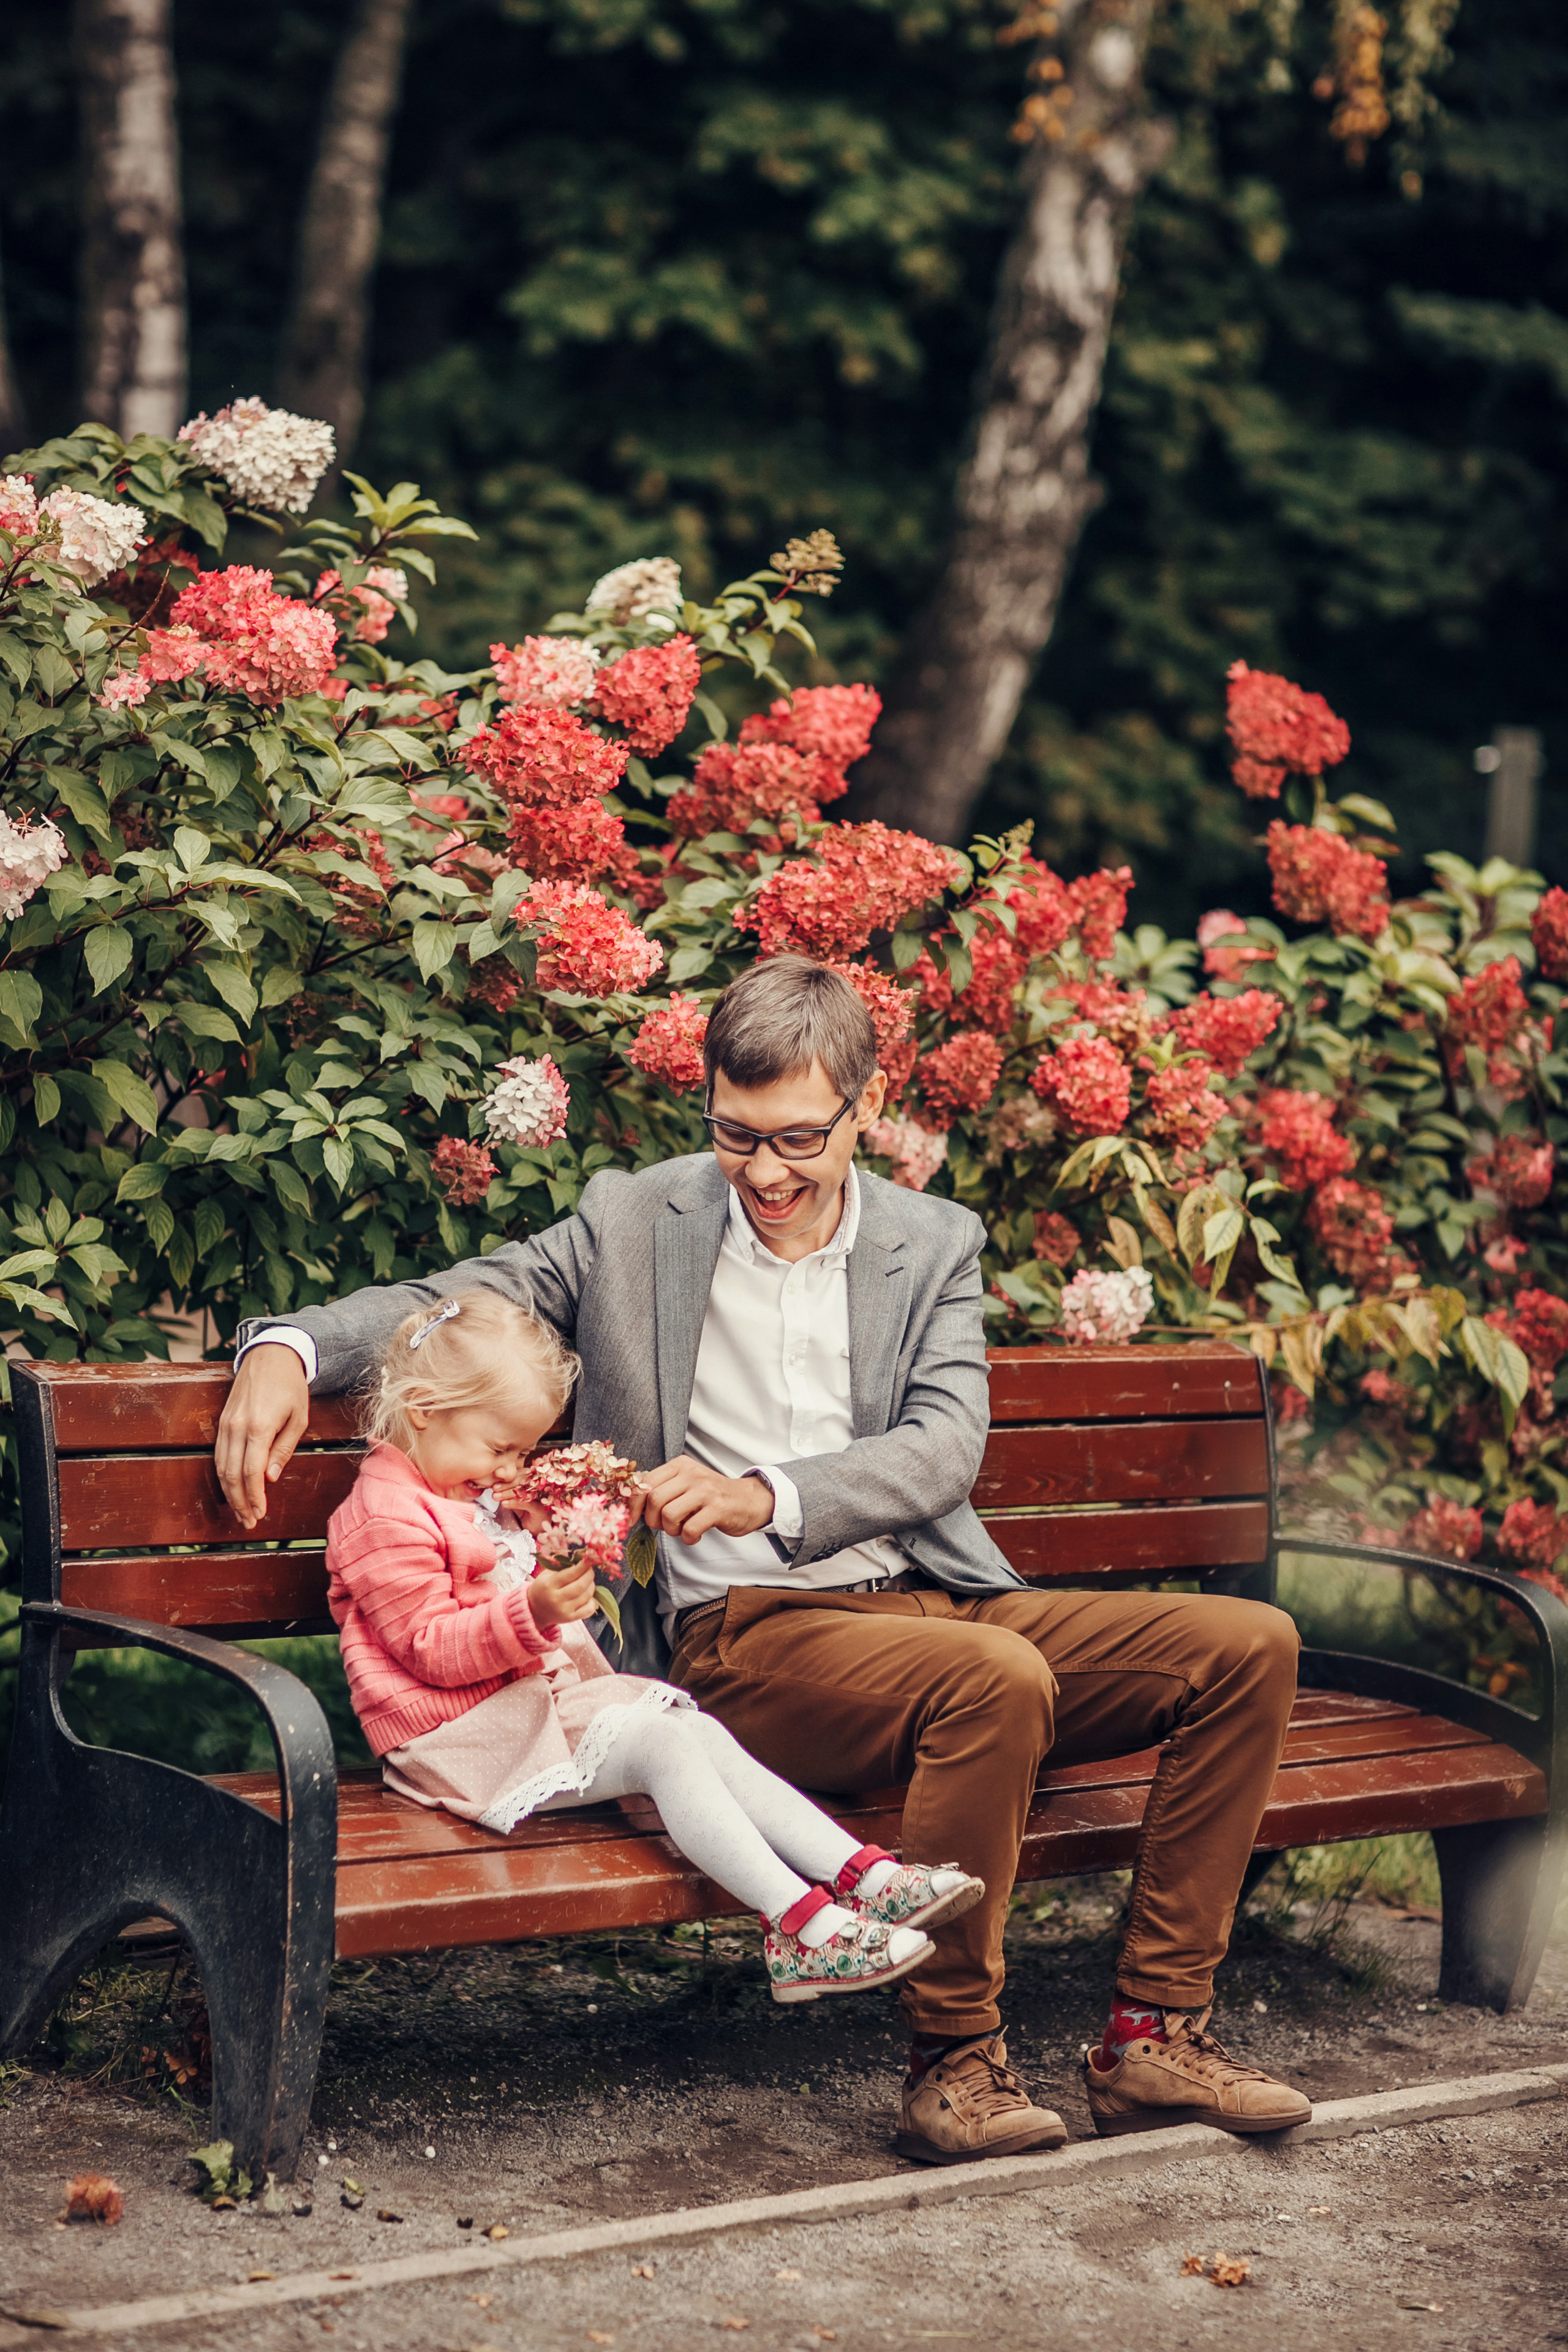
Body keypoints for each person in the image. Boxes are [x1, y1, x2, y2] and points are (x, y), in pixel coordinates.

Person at [219, 954, 1311, 2160]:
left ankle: (1153, 2037)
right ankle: (955, 2060)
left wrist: (762, 1491)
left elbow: (942, 1447)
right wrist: (288, 1348)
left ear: (862, 1106)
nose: (764, 1174)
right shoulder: (638, 1220)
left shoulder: (931, 1240)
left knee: (1247, 1645)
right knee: (990, 1684)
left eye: (798, 1140)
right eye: (736, 1137)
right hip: (748, 1634)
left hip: (934, 1597)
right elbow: (460, 1299)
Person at [328, 1284, 985, 2009]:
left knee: (691, 1729)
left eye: (524, 1450)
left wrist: (540, 1533)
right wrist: (532, 1609)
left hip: (524, 1707)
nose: (513, 1469)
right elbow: (429, 1648)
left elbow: (502, 1575)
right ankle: (800, 1928)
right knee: (662, 1745)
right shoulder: (383, 1517)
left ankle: (868, 1879)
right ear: (424, 1411)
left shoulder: (464, 1492)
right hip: (454, 1738)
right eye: (501, 1447)